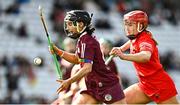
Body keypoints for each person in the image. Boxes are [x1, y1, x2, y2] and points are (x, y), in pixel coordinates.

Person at [50, 10, 126, 104]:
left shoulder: (87, 41)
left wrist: (69, 81)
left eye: (70, 24)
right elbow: (76, 59)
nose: (68, 27)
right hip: (93, 86)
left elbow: (87, 68)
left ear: (81, 24)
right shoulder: (82, 39)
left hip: (107, 87)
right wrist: (58, 51)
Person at [110, 10, 179, 104]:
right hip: (145, 85)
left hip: (160, 86)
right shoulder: (136, 37)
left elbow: (145, 56)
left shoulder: (145, 40)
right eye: (126, 25)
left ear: (140, 26)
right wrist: (121, 49)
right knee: (118, 102)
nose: (127, 28)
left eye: (130, 25)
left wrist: (124, 56)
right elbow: (131, 42)